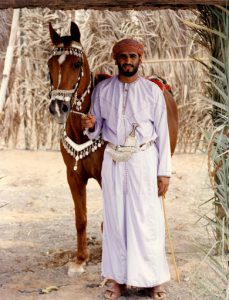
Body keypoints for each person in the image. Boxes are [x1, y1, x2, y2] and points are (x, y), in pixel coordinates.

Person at [82, 39, 171, 299]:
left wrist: (163, 171)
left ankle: (153, 280)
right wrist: (90, 124)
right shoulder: (103, 90)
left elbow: (162, 133)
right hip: (113, 160)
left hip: (144, 160)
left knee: (146, 219)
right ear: (116, 59)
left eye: (133, 56)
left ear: (140, 60)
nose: (128, 61)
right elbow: (95, 131)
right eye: (123, 57)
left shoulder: (152, 92)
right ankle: (118, 280)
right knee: (115, 220)